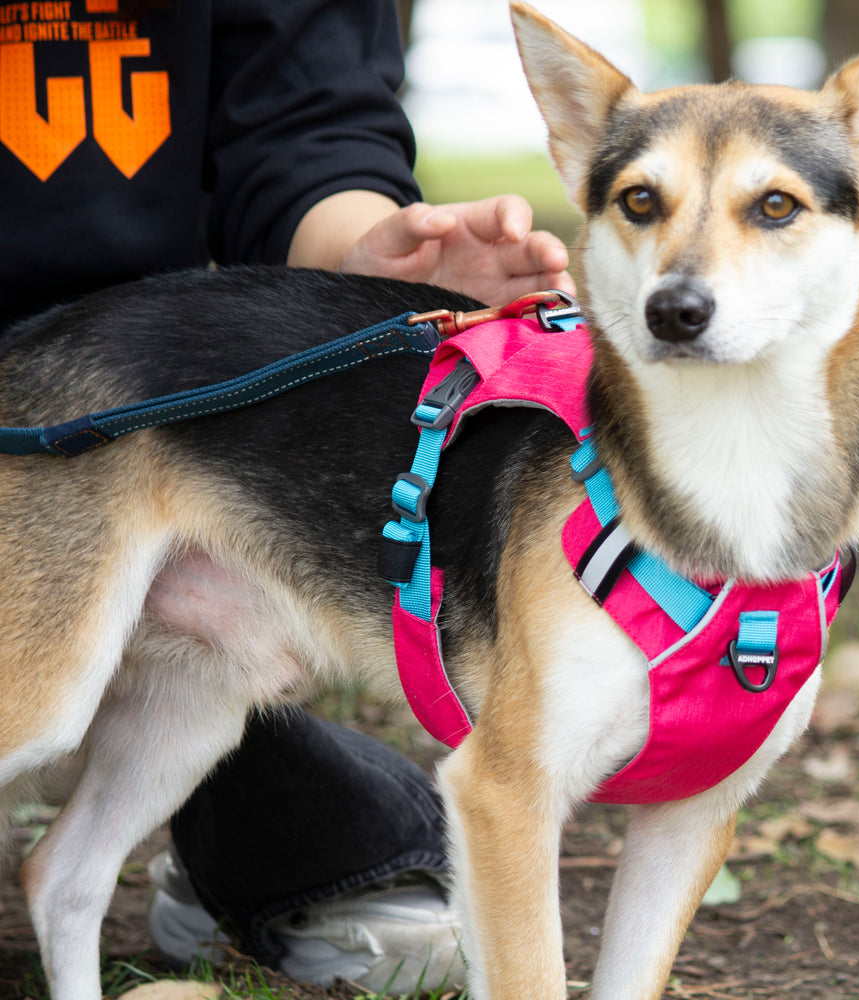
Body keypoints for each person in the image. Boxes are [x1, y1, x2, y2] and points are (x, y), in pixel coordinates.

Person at [0, 0, 571, 989]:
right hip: (54, 410)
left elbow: (307, 121)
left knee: (238, 750)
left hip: (154, 383)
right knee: (37, 712)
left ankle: (234, 843)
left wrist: (375, 259)